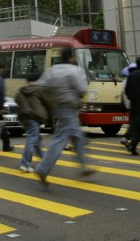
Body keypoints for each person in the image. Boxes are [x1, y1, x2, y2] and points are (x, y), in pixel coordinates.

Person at [34, 48, 93, 186]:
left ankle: (84, 167)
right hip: (69, 108)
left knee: (77, 137)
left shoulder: (53, 69)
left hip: (57, 107)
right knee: (60, 139)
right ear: (71, 57)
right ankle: (42, 169)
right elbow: (81, 89)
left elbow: (41, 85)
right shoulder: (73, 70)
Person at [13, 71, 47, 173]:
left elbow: (16, 99)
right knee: (32, 138)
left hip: (24, 117)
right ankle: (25, 164)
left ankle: (44, 160)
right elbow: (47, 102)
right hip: (34, 117)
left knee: (35, 138)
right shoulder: (39, 90)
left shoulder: (22, 90)